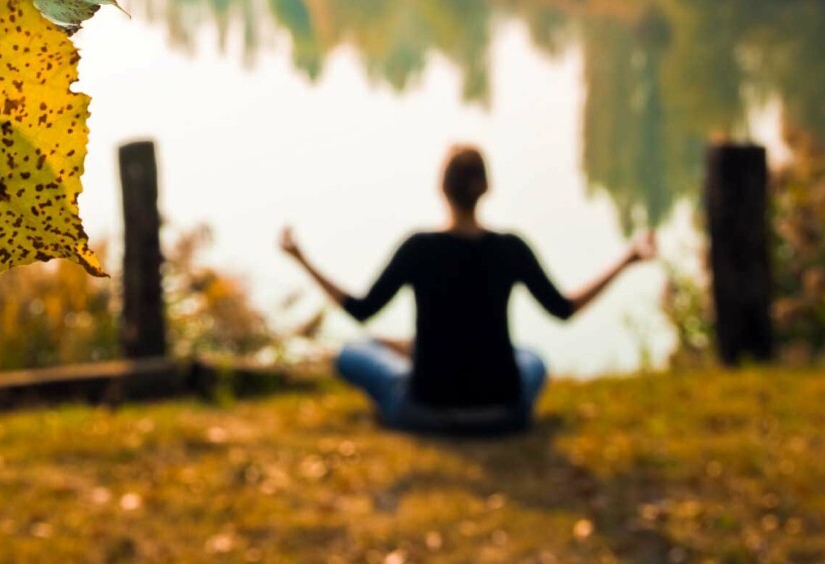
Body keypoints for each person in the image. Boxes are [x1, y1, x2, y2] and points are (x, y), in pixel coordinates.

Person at [280, 145, 656, 435]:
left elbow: (360, 309)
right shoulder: (511, 248)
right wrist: (627, 260)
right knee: (532, 359)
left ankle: (414, 351)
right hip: (504, 414)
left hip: (424, 410)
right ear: (486, 188)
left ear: (442, 188)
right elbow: (564, 309)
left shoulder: (419, 248)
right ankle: (415, 348)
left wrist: (301, 258)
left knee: (353, 352)